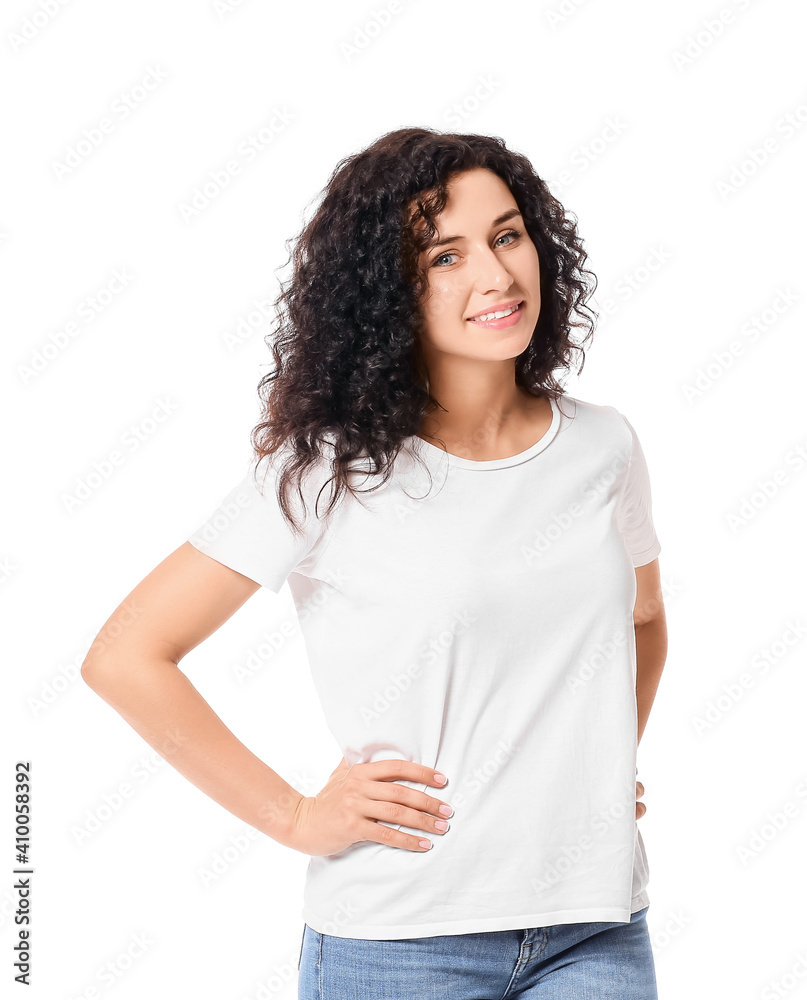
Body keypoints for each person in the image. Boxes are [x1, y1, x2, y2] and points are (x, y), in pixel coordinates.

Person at [81, 126, 667, 999]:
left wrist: (592, 763)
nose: (496, 276)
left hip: (595, 930)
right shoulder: (327, 471)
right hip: (400, 942)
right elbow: (125, 657)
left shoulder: (601, 445)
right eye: (444, 256)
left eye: (507, 236)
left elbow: (644, 618)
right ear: (389, 291)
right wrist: (294, 816)